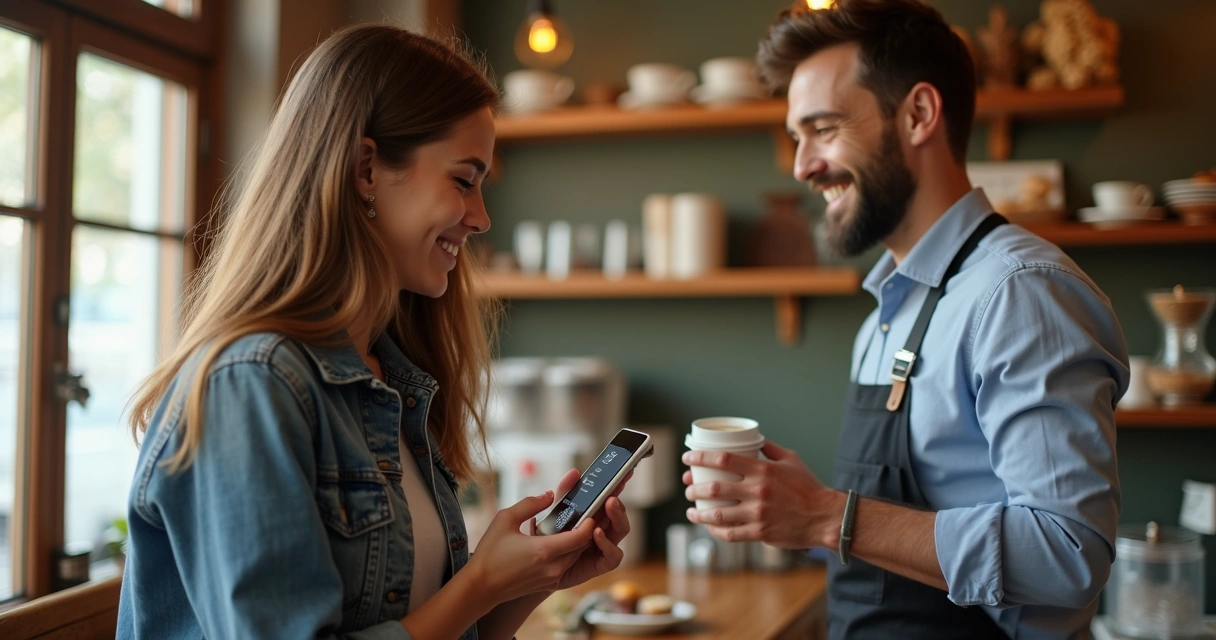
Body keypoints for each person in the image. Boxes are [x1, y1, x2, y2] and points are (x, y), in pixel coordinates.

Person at [116, 25, 631, 640]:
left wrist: (526, 580)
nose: (482, 217)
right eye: (464, 180)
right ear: (366, 169)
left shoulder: (392, 378)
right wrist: (480, 583)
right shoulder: (251, 385)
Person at [681, 2, 1128, 639]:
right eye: (796, 136)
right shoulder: (891, 312)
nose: (803, 165)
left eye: (824, 128)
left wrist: (823, 516)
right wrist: (781, 511)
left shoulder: (1019, 293)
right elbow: (896, 537)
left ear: (918, 114)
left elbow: (1067, 553)